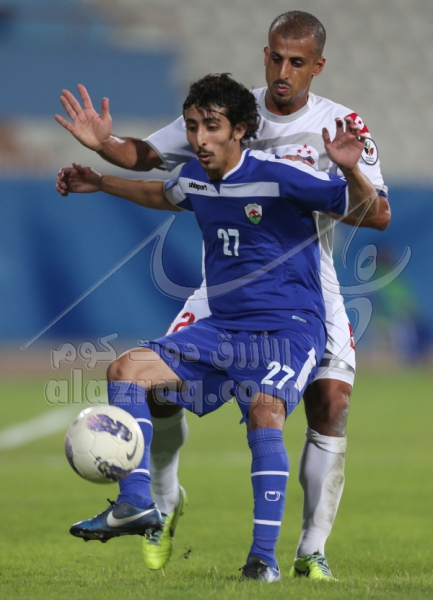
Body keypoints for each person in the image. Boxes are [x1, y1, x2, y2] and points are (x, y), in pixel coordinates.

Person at [55, 11, 390, 579]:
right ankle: (153, 497)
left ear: (317, 66)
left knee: (320, 405)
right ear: (265, 54)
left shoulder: (333, 129)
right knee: (144, 382)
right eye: (275, 58)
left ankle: (302, 551)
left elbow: (375, 212)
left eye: (297, 62)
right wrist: (103, 156)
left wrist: (349, 171)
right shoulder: (223, 117)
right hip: (225, 294)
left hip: (301, 294)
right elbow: (159, 176)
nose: (282, 71)